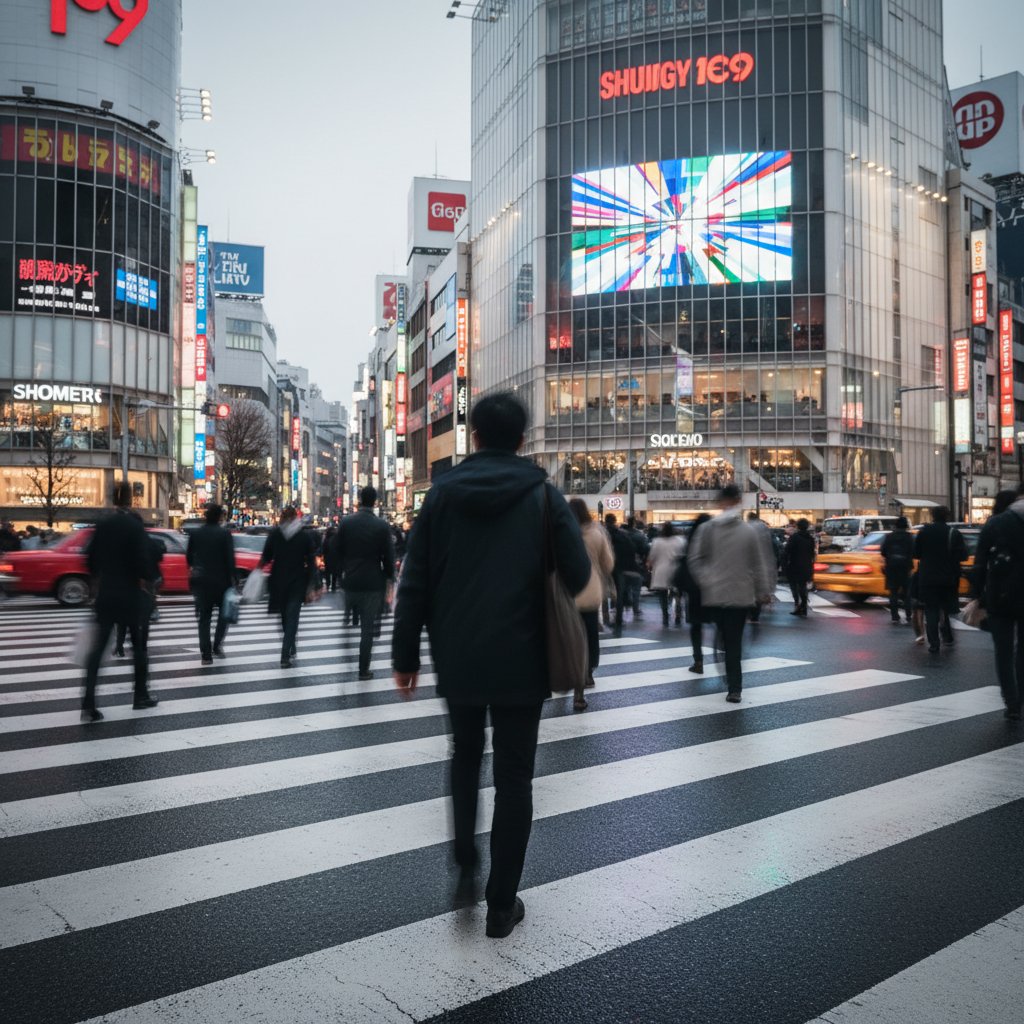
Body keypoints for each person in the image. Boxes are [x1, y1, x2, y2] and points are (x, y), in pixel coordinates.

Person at [392, 392, 590, 938]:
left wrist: (405, 655)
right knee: (515, 777)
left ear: (473, 435)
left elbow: (415, 581)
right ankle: (502, 903)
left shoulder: (440, 497)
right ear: (522, 439)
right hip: (525, 656)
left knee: (463, 758)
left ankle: (463, 866)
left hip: (458, 653)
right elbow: (577, 575)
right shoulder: (544, 496)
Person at [687, 485, 775, 702]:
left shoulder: (707, 529)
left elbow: (695, 559)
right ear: (737, 502)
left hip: (716, 594)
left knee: (726, 637)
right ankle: (735, 687)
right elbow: (759, 563)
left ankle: (731, 677)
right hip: (740, 594)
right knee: (734, 640)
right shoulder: (748, 531)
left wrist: (706, 580)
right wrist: (763, 591)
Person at [81, 482, 158, 722]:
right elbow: (144, 562)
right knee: (138, 647)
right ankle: (140, 696)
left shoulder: (103, 525)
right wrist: (146, 582)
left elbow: (90, 559)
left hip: (106, 593)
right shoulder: (134, 525)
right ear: (131, 498)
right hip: (130, 594)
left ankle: (89, 703)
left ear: (112, 497)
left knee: (98, 649)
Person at [972, 483, 1024, 721]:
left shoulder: (997, 523)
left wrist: (978, 596)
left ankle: (1012, 702)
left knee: (1003, 651)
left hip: (1000, 595)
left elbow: (980, 564)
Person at [333, 486, 396, 680]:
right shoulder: (381, 525)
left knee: (350, 618)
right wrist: (389, 578)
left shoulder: (346, 523)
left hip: (351, 580)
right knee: (367, 630)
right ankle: (363, 669)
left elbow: (336, 550)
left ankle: (347, 654)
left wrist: (340, 573)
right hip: (372, 582)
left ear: (360, 499)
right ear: (375, 501)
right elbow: (388, 556)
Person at [568, 498, 613, 710]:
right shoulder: (596, 533)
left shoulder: (564, 533)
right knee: (590, 635)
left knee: (569, 638)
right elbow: (608, 563)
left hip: (567, 593)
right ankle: (587, 673)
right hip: (591, 590)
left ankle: (571, 675)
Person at [260, 507, 318, 669]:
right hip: (297, 581)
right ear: (295, 517)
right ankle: (286, 653)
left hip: (278, 580)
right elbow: (311, 561)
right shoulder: (303, 536)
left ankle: (289, 647)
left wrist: (258, 570)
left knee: (285, 618)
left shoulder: (275, 534)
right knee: (292, 617)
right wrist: (314, 583)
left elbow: (266, 555)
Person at [186, 503, 237, 665]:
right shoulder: (224, 534)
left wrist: (196, 566)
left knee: (204, 618)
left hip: (201, 582)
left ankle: (205, 654)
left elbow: (188, 557)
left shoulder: (196, 534)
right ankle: (217, 645)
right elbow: (230, 559)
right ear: (219, 517)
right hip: (221, 582)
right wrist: (233, 579)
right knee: (224, 616)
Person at [913, 505, 967, 653]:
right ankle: (947, 636)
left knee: (931, 610)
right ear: (947, 516)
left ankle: (934, 643)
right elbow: (963, 556)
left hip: (927, 577)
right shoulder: (953, 533)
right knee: (945, 608)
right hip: (948, 577)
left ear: (932, 516)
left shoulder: (923, 532)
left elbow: (916, 554)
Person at [675, 513, 711, 673]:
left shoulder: (691, 540)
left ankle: (698, 660)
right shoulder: (714, 539)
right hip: (714, 587)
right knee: (721, 623)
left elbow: (686, 563)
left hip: (695, 588)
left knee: (696, 625)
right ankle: (725, 657)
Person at [647, 521, 685, 627]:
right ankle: (678, 615)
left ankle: (665, 616)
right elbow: (683, 555)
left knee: (662, 595)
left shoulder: (657, 541)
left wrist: (649, 566)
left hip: (661, 571)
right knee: (678, 594)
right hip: (676, 570)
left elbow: (652, 557)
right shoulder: (680, 541)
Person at [606, 514, 639, 629]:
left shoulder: (604, 534)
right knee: (619, 593)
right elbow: (631, 549)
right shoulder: (622, 534)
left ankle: (606, 618)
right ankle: (618, 618)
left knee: (604, 593)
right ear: (615, 521)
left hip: (606, 566)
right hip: (620, 567)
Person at [880, 516, 914, 624]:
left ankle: (895, 616)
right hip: (905, 566)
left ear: (896, 525)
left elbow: (883, 551)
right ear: (906, 526)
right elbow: (914, 551)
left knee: (893, 592)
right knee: (907, 592)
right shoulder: (909, 537)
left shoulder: (889, 536)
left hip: (891, 566)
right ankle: (909, 615)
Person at [746, 512, 778, 622]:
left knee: (749, 589)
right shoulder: (764, 529)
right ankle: (755, 614)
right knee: (758, 590)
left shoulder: (746, 528)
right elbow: (772, 546)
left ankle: (750, 613)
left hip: (749, 563)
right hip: (764, 562)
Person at [782, 518, 816, 616]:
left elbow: (787, 551)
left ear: (797, 526)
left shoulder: (795, 537)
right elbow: (812, 553)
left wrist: (784, 564)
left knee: (794, 585)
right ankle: (803, 606)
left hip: (794, 565)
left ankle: (798, 605)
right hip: (807, 565)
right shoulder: (810, 538)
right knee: (802, 586)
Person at [623, 516, 650, 615]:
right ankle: (635, 608)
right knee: (636, 588)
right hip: (636, 565)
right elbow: (646, 549)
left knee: (623, 588)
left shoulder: (622, 534)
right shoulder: (640, 536)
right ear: (634, 524)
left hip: (623, 565)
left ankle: (623, 608)